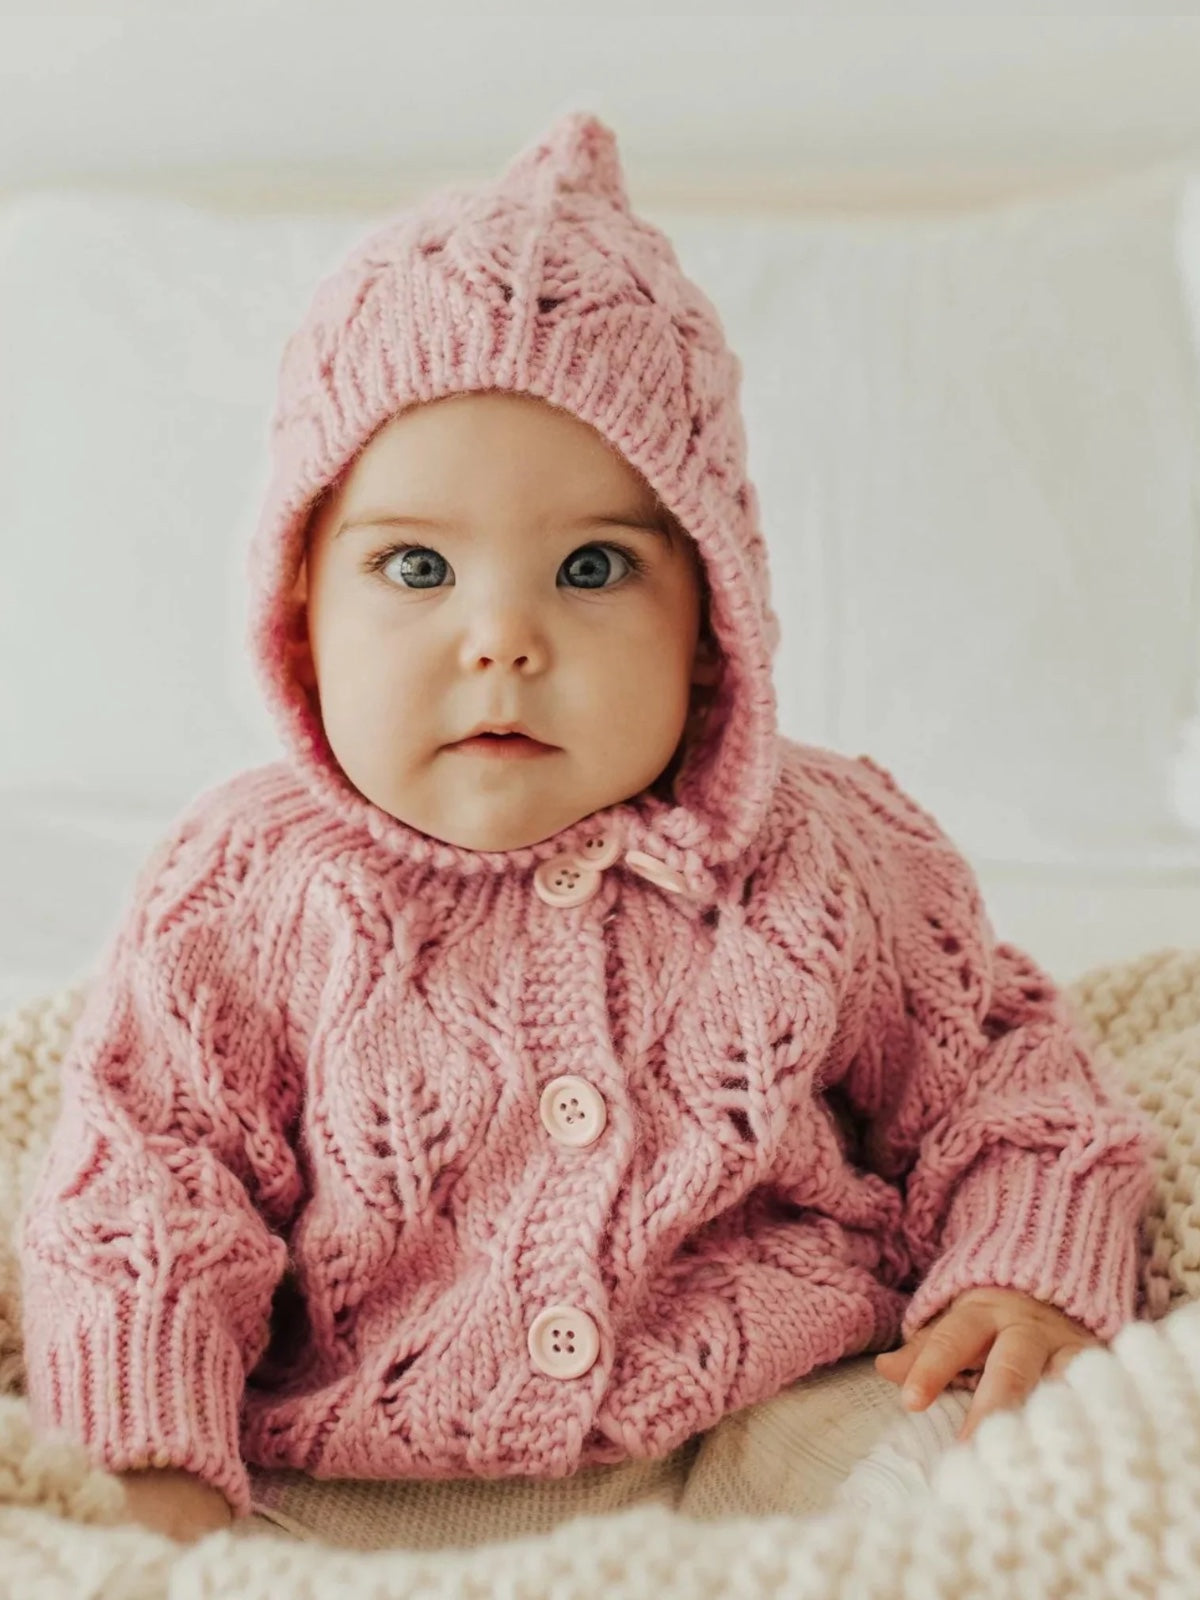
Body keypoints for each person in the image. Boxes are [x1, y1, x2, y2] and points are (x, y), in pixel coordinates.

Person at [16, 111, 1160, 1550]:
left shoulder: (830, 852)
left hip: (782, 1413)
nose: (503, 638)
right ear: (305, 606)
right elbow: (146, 1199)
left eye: (595, 566)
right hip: (356, 1468)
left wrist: (1022, 1270)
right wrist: (155, 1465)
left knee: (1033, 1499)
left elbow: (1006, 1087)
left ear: (708, 622)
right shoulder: (241, 889)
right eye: (418, 566)